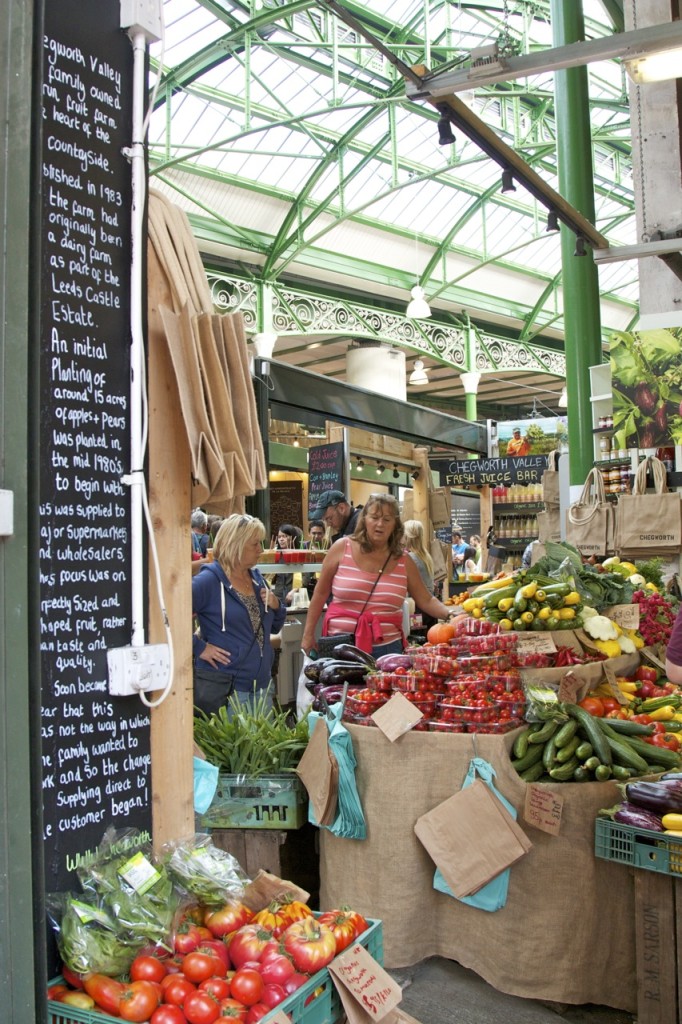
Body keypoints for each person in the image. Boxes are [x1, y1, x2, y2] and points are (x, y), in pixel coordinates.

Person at [301, 494, 464, 658]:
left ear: (395, 525)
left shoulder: (404, 561)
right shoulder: (341, 548)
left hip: (387, 650)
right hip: (341, 645)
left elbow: (426, 599)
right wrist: (307, 635)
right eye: (374, 517)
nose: (380, 524)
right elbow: (320, 593)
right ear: (364, 519)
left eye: (387, 519)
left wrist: (450, 615)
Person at [192, 513, 286, 716]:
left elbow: (275, 626)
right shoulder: (208, 581)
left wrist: (276, 605)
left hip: (262, 688)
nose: (261, 550)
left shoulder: (256, 578)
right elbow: (169, 618)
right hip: (227, 690)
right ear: (236, 544)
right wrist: (199, 647)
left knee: (261, 748)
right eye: (255, 544)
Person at [270, 523, 303, 604]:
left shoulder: (300, 554)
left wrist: (294, 591)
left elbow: (305, 577)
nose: (281, 539)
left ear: (293, 538)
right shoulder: (275, 555)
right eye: (279, 537)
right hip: (278, 596)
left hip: (295, 596)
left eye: (285, 536)